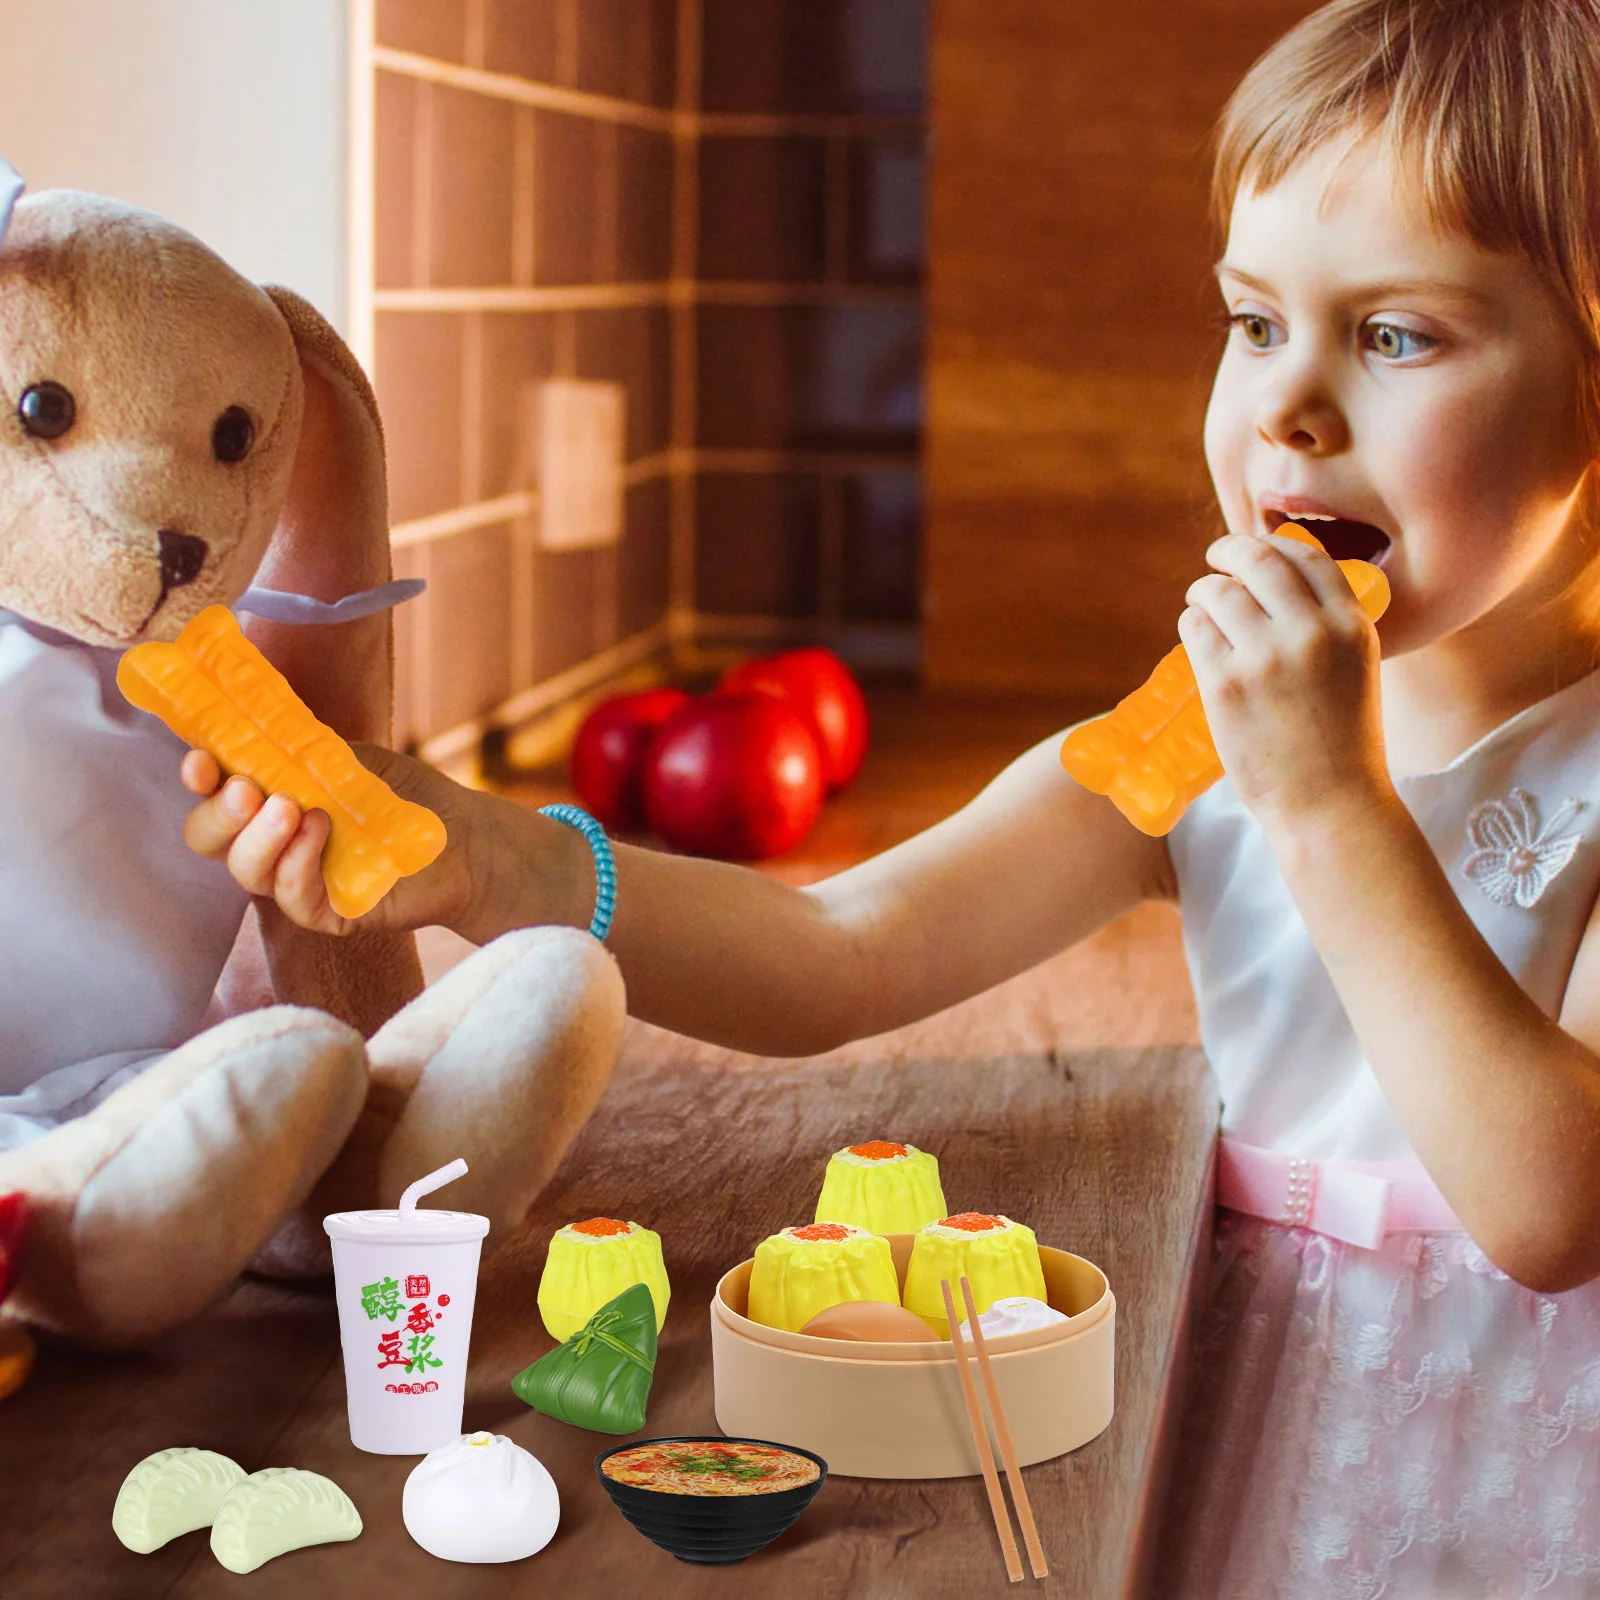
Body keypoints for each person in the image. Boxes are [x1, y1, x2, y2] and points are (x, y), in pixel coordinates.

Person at [179, 0, 1600, 1591]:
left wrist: (1330, 801)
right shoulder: (1194, 740)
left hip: (1511, 1473)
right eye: (1256, 322)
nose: (1286, 408)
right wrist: (496, 856)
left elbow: (1549, 1203)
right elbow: (845, 951)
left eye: (1395, 335)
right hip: (1237, 1432)